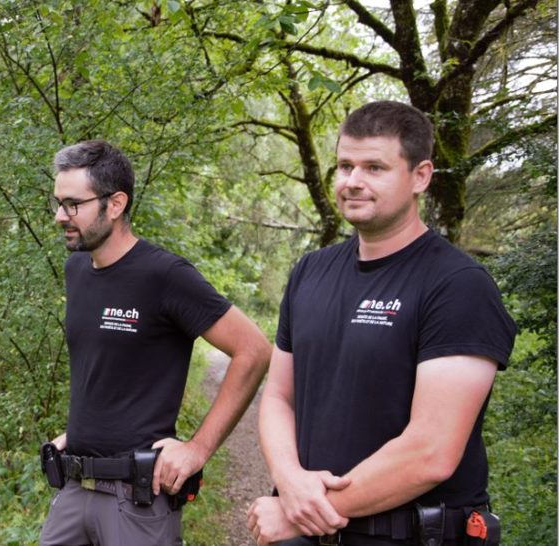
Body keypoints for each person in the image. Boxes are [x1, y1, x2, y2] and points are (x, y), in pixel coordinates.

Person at [247, 101, 517, 546]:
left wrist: (305, 512)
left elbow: (431, 452)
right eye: (345, 166)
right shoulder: (310, 272)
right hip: (307, 534)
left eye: (374, 167)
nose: (353, 181)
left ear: (420, 176)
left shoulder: (458, 285)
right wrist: (289, 481)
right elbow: (278, 397)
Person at [40, 139, 271, 546]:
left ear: (115, 204)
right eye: (58, 203)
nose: (60, 216)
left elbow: (253, 349)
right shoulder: (76, 269)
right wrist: (79, 433)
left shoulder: (164, 276)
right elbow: (106, 367)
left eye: (73, 204)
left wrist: (198, 448)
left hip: (135, 500)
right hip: (74, 489)